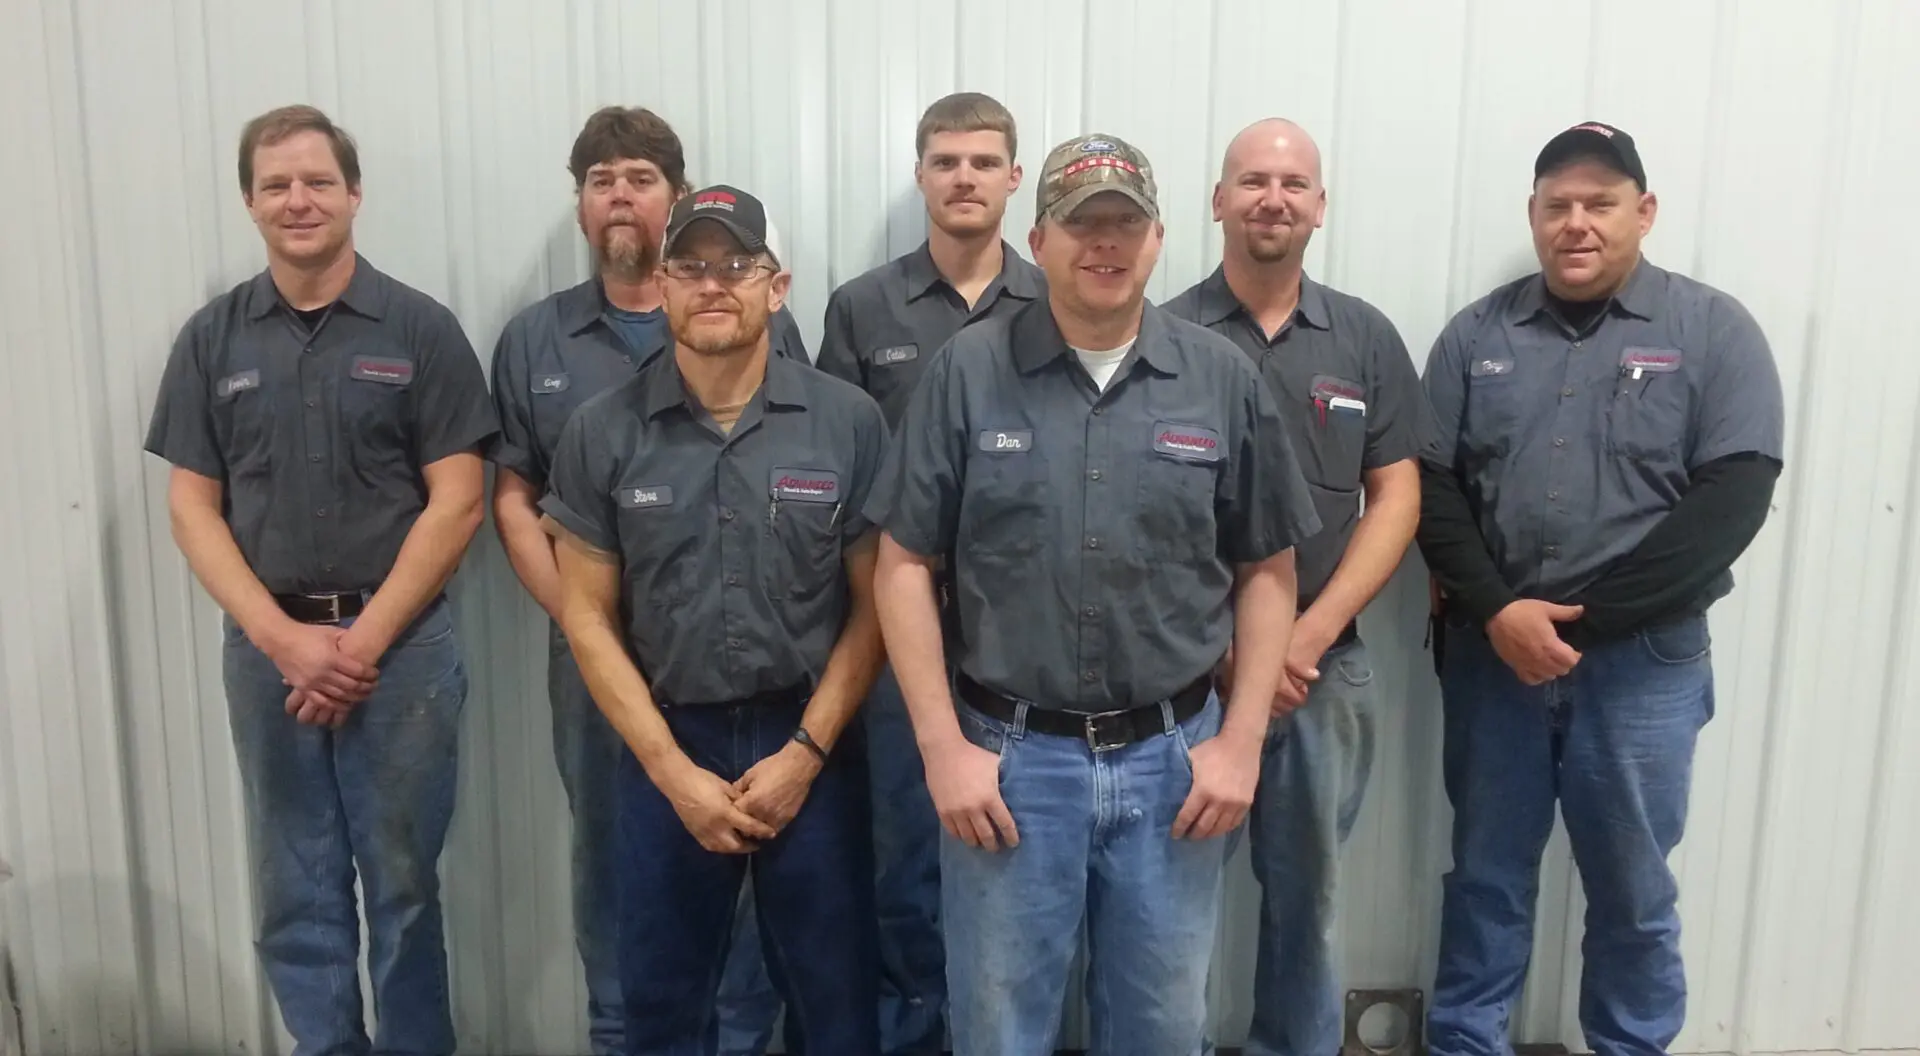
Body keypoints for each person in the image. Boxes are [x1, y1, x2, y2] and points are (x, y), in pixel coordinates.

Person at [867, 132, 1323, 1055]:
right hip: (1006, 768)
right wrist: (942, 749)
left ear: (1158, 240)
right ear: (1039, 241)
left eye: (1125, 224)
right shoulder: (967, 371)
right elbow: (903, 563)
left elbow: (1267, 570)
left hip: (1175, 766)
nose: (1103, 244)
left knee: (1162, 1027)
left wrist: (1239, 744)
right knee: (999, 1029)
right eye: (1082, 225)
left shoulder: (1220, 377)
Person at [1416, 122, 1784, 1056]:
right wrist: (1501, 612)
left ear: (1644, 212)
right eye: (1558, 206)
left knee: (1631, 884)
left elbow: (1731, 501)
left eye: (1600, 204)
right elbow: (1432, 487)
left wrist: (1584, 622)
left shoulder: (1713, 331)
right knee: (1487, 877)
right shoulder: (1476, 336)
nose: (1577, 223)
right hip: (1494, 659)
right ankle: (1466, 1042)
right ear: (1534, 218)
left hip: (1643, 665)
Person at [143, 104, 496, 1055]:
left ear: (354, 193)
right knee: (292, 884)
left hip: (404, 654)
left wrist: (363, 641)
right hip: (269, 655)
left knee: (404, 883)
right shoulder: (211, 341)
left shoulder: (421, 329)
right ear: (249, 203)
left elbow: (459, 499)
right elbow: (191, 509)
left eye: (317, 181)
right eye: (276, 184)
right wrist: (282, 640)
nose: (298, 200)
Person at [486, 105, 803, 1056]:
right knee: (612, 861)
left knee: (743, 848)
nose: (619, 194)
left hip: (736, 659)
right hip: (595, 666)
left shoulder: (756, 322)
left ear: (673, 203)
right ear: (581, 205)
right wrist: (587, 624)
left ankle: (743, 1038)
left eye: (639, 178)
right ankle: (624, 1037)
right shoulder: (535, 342)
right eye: (600, 179)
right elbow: (513, 498)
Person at [541, 184, 887, 1055]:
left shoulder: (847, 422)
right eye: (690, 266)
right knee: (660, 1008)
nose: (713, 284)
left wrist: (805, 757)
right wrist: (670, 770)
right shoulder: (601, 431)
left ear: (778, 287)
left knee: (835, 1006)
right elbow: (584, 612)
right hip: (668, 746)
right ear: (660, 286)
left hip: (813, 745)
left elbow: (877, 606)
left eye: (737, 264)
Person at [1164, 117, 1431, 1056]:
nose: (1271, 198)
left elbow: (1397, 495)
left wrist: (1303, 638)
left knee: (1309, 903)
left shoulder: (1362, 338)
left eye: (1292, 183)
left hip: (1324, 672)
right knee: (1172, 906)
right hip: (1192, 681)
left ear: (1320, 206)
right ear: (1217, 201)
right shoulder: (1163, 336)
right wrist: (1233, 658)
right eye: (1250, 180)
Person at [814, 89, 1044, 1054]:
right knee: (907, 854)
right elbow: (833, 470)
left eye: (983, 162)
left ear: (1013, 179)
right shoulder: (863, 308)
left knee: (1028, 857)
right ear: (920, 175)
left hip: (1030, 634)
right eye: (946, 161)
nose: (964, 177)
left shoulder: (1060, 297)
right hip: (898, 624)